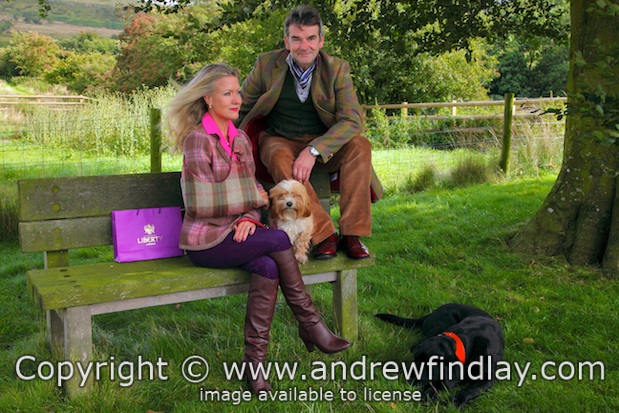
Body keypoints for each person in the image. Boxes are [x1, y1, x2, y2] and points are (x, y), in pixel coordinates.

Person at [166, 63, 350, 394]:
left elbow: (255, 197)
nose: (237, 99)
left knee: (268, 266)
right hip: (206, 241)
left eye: (237, 92)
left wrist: (250, 217)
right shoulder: (198, 141)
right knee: (278, 237)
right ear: (208, 99)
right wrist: (253, 201)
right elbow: (200, 205)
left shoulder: (239, 140)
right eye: (227, 93)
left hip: (242, 234)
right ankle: (310, 324)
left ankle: (254, 369)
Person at [238, 5, 383, 261]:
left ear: (321, 40)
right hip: (279, 138)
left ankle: (352, 234)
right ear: (287, 41)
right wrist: (213, 134)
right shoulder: (266, 64)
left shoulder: (336, 69)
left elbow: (352, 120)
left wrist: (315, 150)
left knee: (360, 145)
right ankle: (324, 234)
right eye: (297, 39)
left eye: (311, 38)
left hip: (323, 145)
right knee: (278, 156)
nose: (304, 46)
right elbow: (240, 106)